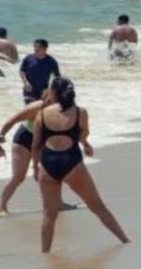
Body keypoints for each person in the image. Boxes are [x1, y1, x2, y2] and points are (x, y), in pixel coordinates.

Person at [32, 78, 131, 253]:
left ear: (53, 93)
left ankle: (45, 253)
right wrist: (85, 145)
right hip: (72, 163)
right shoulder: (80, 112)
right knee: (97, 206)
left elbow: (36, 144)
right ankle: (125, 240)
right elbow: (82, 135)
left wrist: (35, 168)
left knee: (49, 215)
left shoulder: (42, 114)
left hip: (48, 165)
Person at [19, 39, 61, 104]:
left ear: (45, 49)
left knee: (41, 109)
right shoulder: (28, 58)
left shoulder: (51, 61)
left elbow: (57, 77)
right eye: (35, 46)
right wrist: (25, 82)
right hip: (29, 91)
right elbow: (22, 71)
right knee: (29, 109)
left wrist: (51, 90)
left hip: (43, 92)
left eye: (39, 47)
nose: (36, 49)